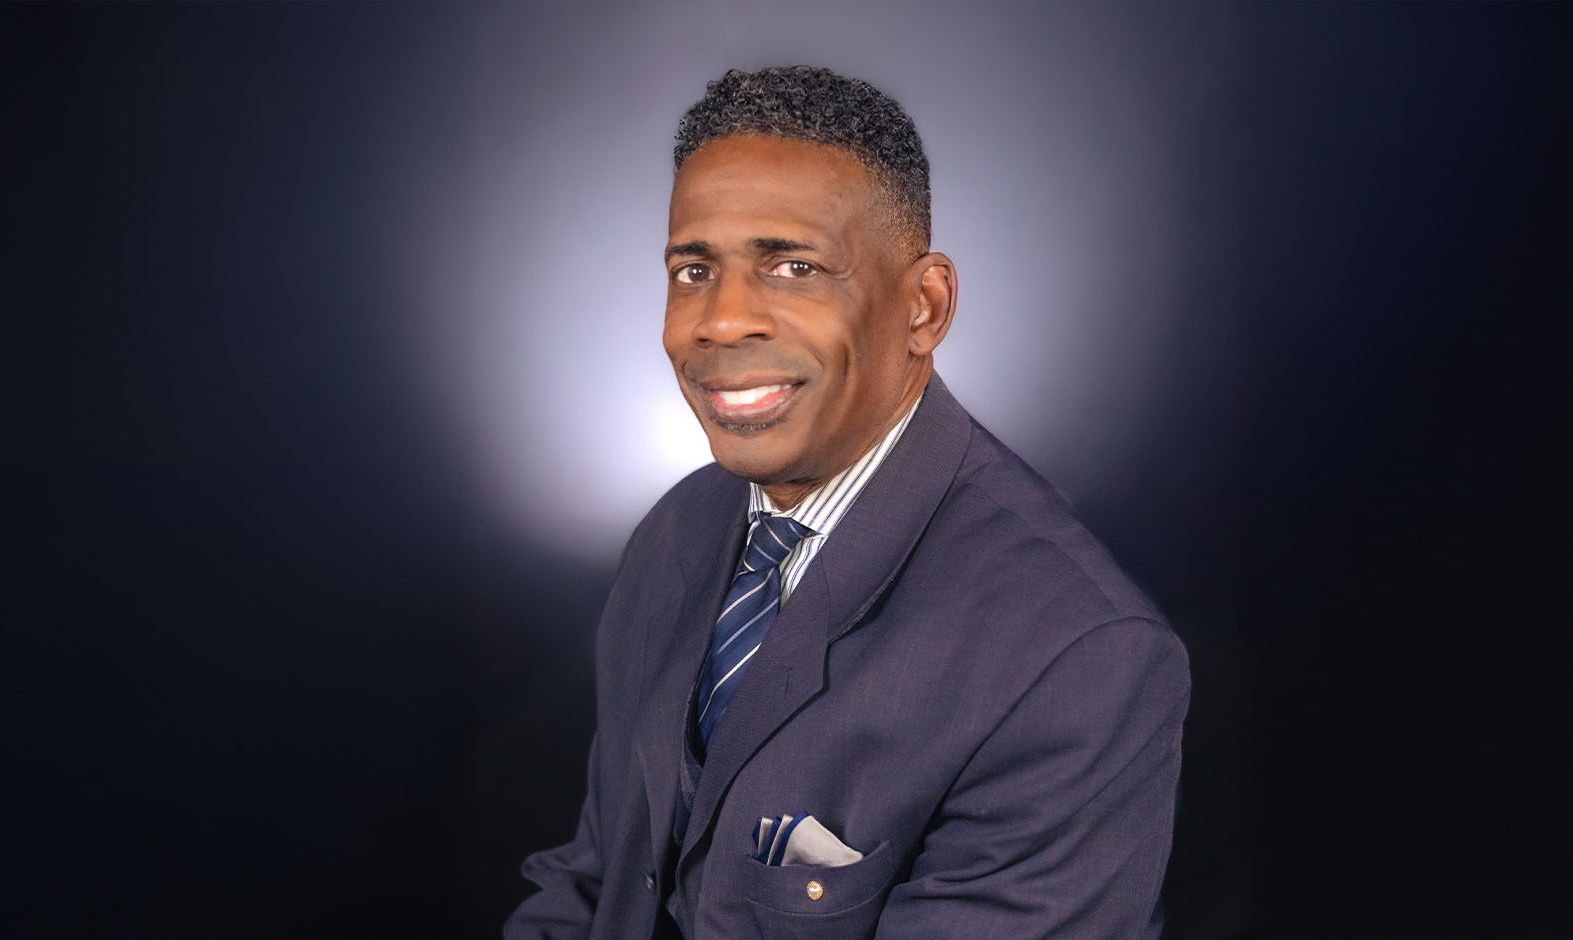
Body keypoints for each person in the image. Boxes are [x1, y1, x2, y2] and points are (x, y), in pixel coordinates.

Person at [503, 65, 1189, 940]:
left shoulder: (1076, 660)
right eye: (692, 269)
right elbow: (599, 877)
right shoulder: (677, 533)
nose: (720, 321)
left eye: (793, 266)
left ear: (923, 306)